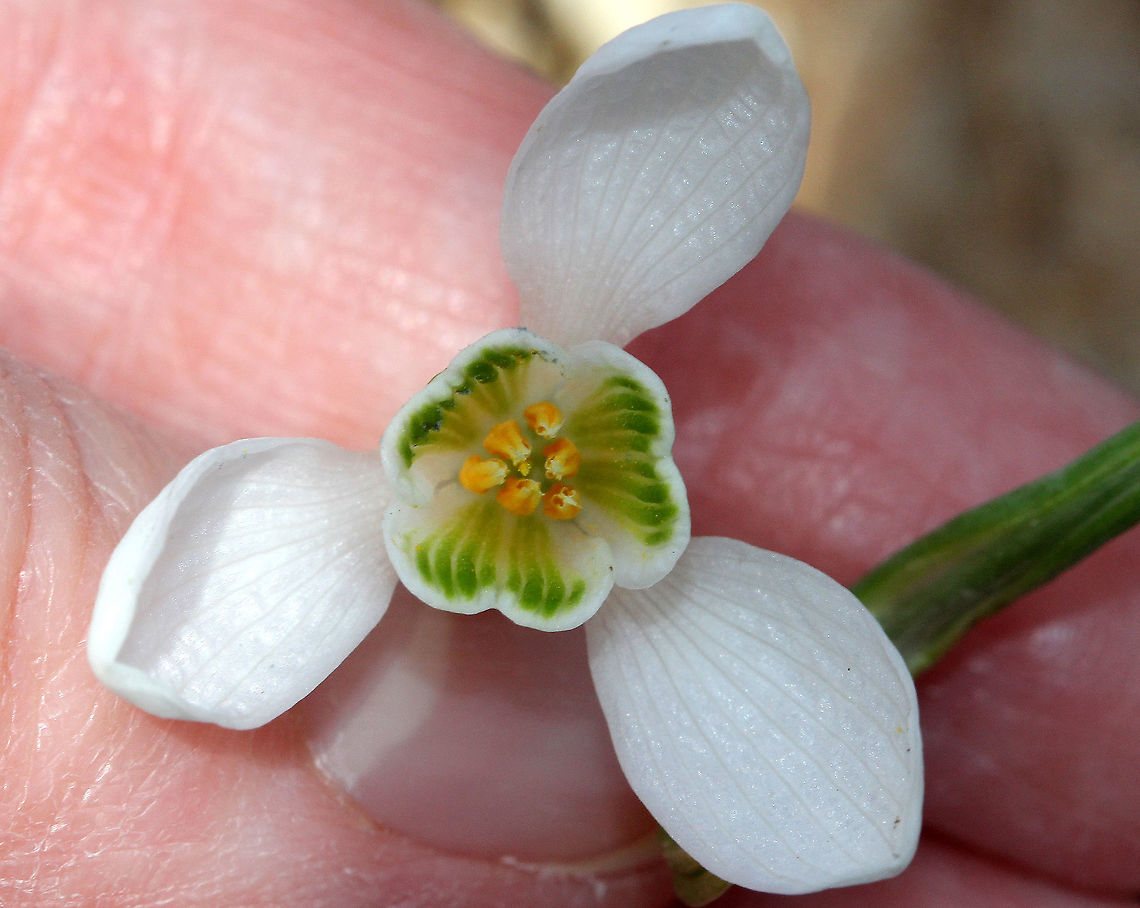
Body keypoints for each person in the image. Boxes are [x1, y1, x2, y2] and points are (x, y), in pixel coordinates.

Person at [1, 2, 1137, 905]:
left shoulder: (624, 557)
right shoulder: (293, 539)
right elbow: (169, 641)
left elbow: (834, 801)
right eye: (530, 455)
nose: (539, 470)